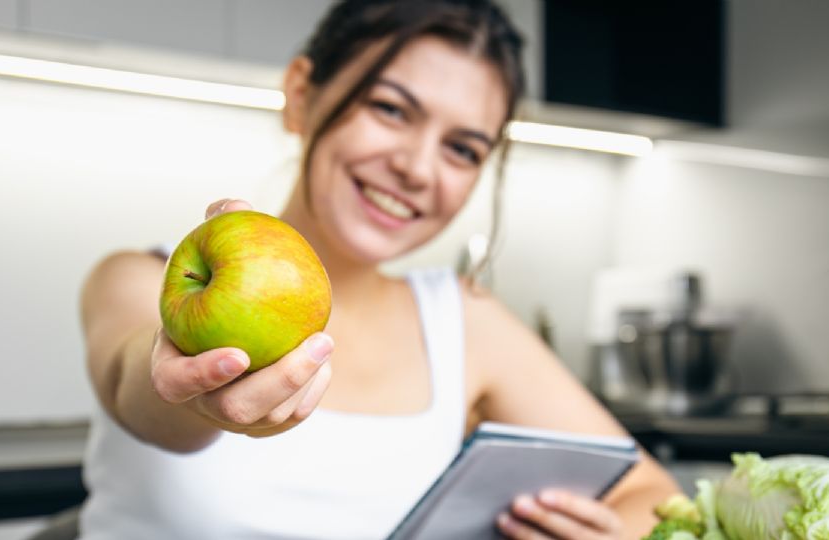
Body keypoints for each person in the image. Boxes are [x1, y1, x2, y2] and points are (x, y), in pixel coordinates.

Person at [77, 0, 681, 538]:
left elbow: (654, 497)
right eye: (392, 109)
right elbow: (137, 384)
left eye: (463, 149)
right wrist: (193, 395)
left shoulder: (465, 320)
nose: (418, 168)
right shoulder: (134, 277)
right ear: (302, 94)